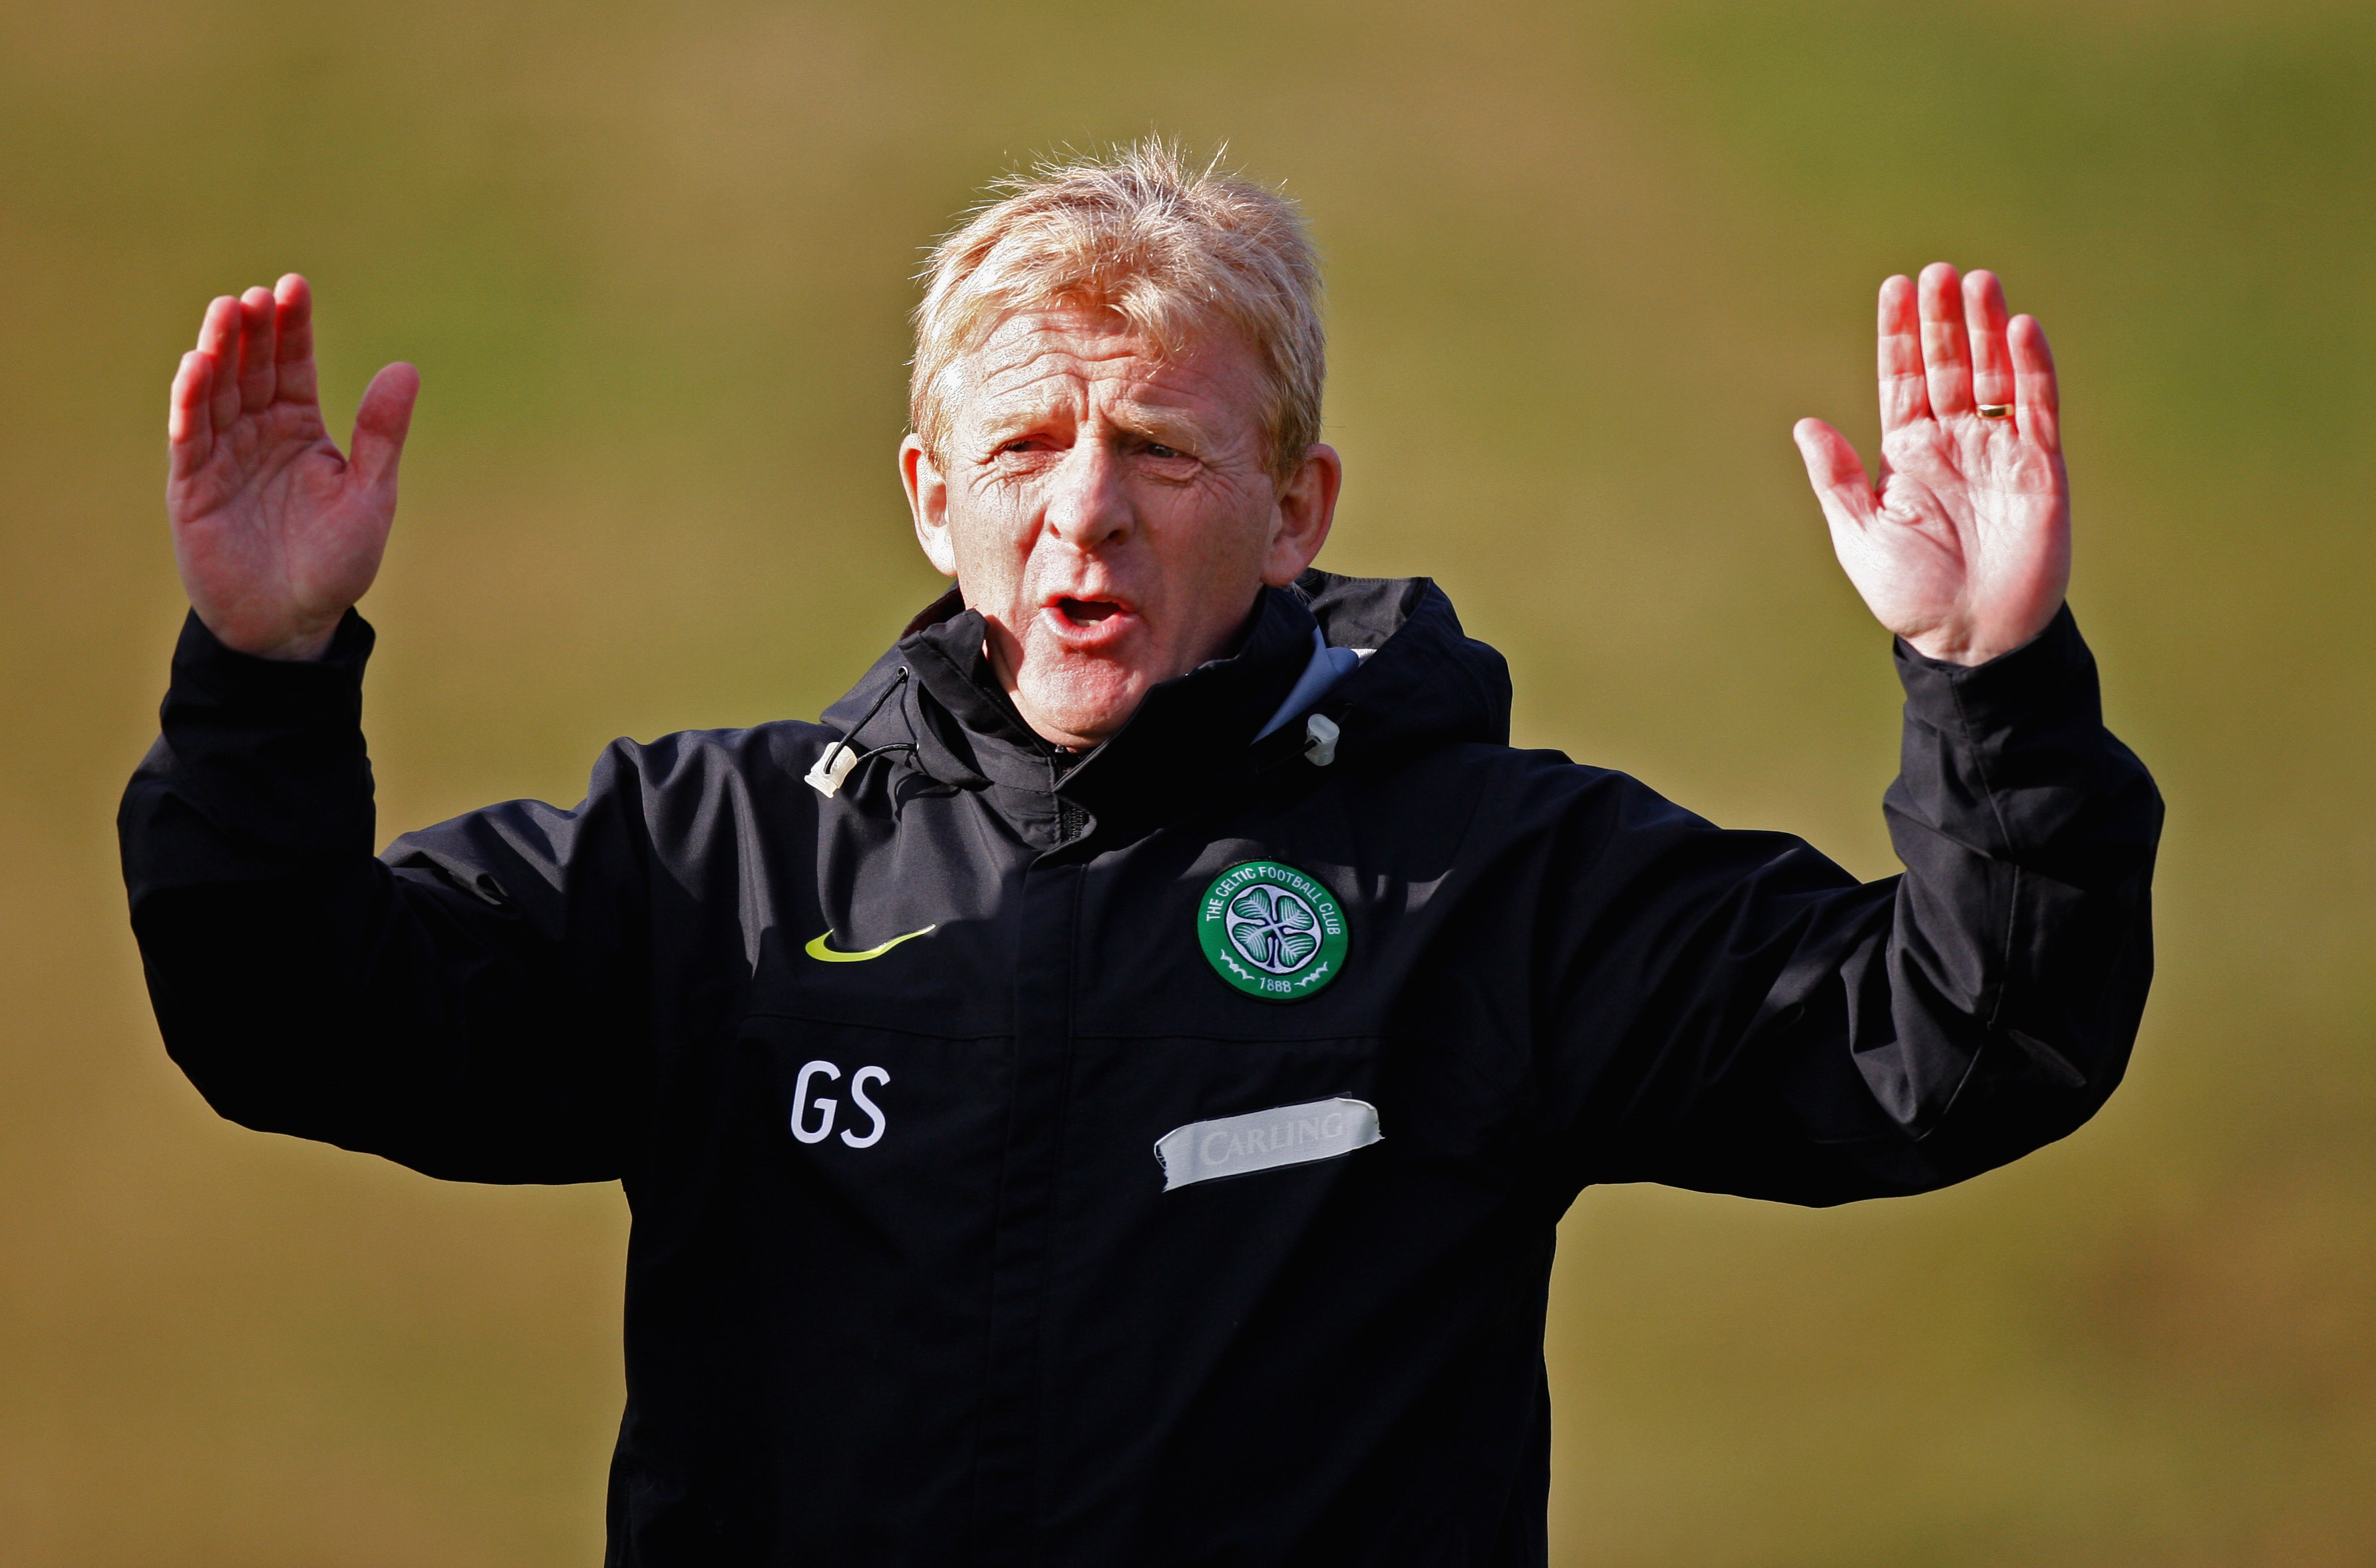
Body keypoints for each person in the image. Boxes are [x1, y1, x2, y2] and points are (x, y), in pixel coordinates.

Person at [120, 141, 2161, 1565]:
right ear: (933, 499)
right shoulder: (713, 866)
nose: (1081, 513)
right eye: (1021, 448)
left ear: (1294, 507)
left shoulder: (1483, 880)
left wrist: (1985, 679)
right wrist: (263, 673)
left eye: (1160, 451)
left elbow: (1960, 1042)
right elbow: (290, 1018)